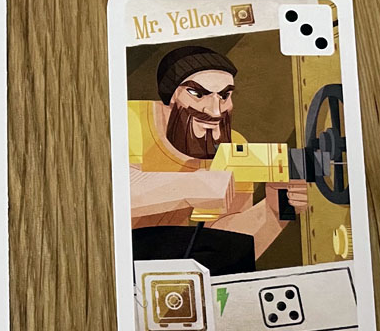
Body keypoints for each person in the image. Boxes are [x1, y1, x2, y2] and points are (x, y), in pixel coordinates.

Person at [128, 45, 308, 274]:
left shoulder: (233, 146)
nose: (215, 111)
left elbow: (226, 243)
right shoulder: (130, 119)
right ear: (171, 96)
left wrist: (274, 210)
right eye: (197, 94)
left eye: (224, 96)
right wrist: (194, 186)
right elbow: (115, 193)